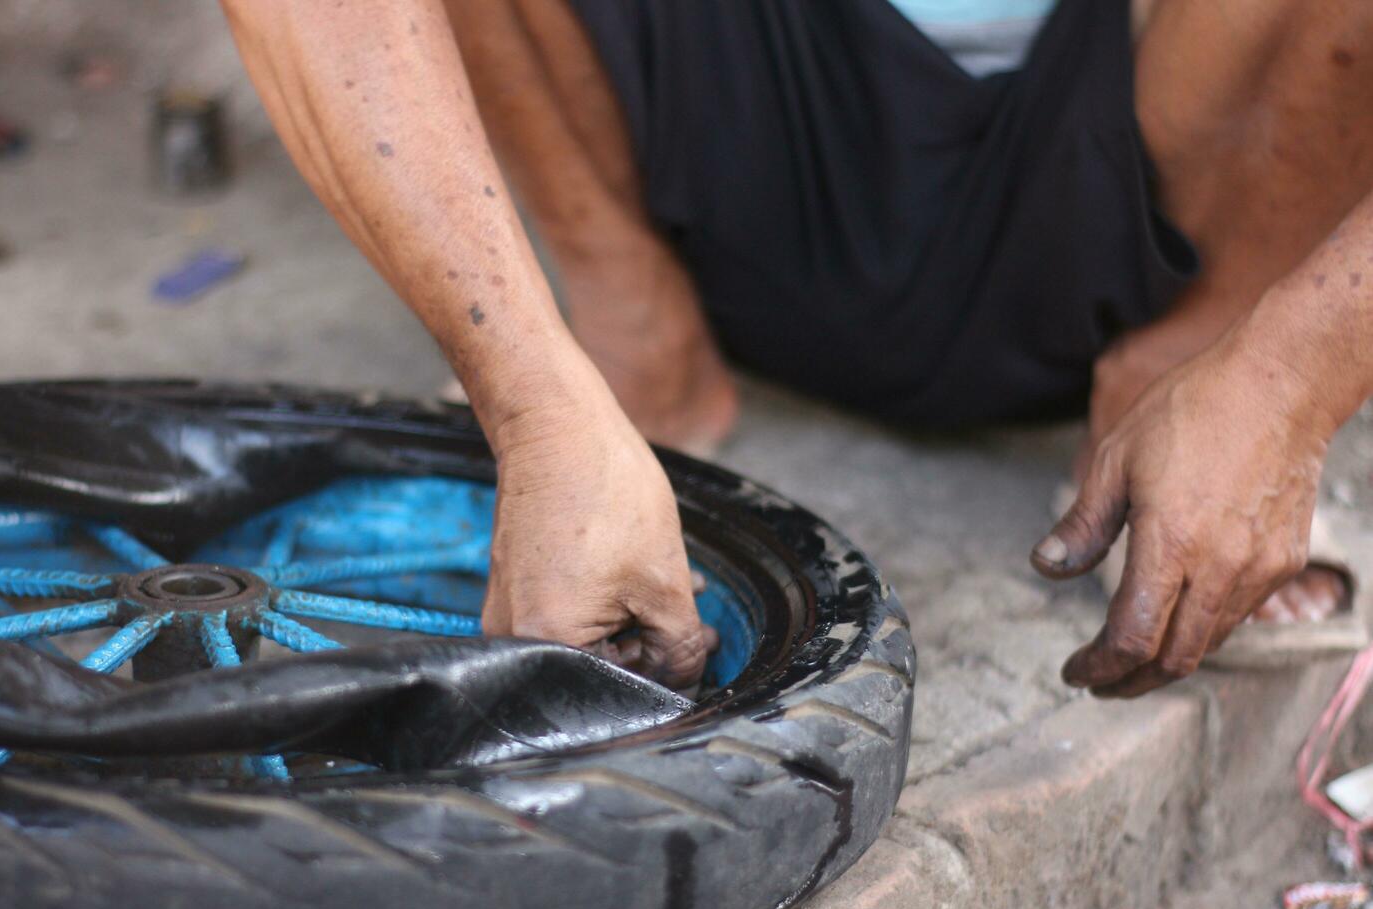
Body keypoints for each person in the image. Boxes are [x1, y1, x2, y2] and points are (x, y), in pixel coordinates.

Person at [220, 0, 1373, 697]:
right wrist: (530, 393)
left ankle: (1187, 357)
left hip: (1160, 138)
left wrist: (1291, 375)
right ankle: (627, 327)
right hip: (714, 127)